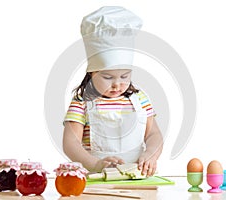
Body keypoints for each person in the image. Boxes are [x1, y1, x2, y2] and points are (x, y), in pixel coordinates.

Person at [63, 6, 163, 177]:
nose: (117, 84)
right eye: (108, 77)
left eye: (125, 76)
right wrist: (95, 164)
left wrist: (151, 154)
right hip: (96, 180)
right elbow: (70, 143)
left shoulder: (140, 99)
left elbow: (154, 134)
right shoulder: (82, 102)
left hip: (138, 180)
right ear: (92, 73)